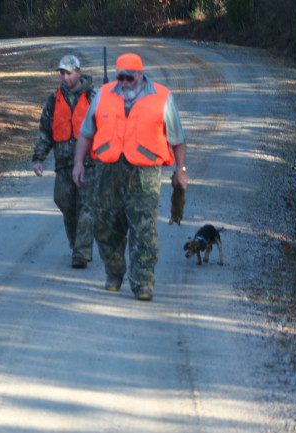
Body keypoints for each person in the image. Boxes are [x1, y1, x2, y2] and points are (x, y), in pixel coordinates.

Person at [72, 53, 188, 301]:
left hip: (144, 173)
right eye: (119, 77)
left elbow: (177, 140)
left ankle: (143, 282)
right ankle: (114, 273)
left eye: (128, 78)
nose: (123, 82)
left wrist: (181, 171)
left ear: (140, 75)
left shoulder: (162, 97)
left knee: (143, 229)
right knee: (104, 226)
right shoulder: (103, 94)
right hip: (108, 170)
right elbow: (85, 133)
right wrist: (78, 164)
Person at [32, 54, 97, 269]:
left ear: (78, 72)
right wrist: (39, 158)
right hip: (63, 164)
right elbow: (45, 130)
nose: (65, 77)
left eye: (68, 72)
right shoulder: (54, 99)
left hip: (89, 165)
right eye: (62, 72)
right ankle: (75, 243)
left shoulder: (94, 97)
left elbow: (106, 129)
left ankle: (82, 252)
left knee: (87, 207)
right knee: (65, 202)